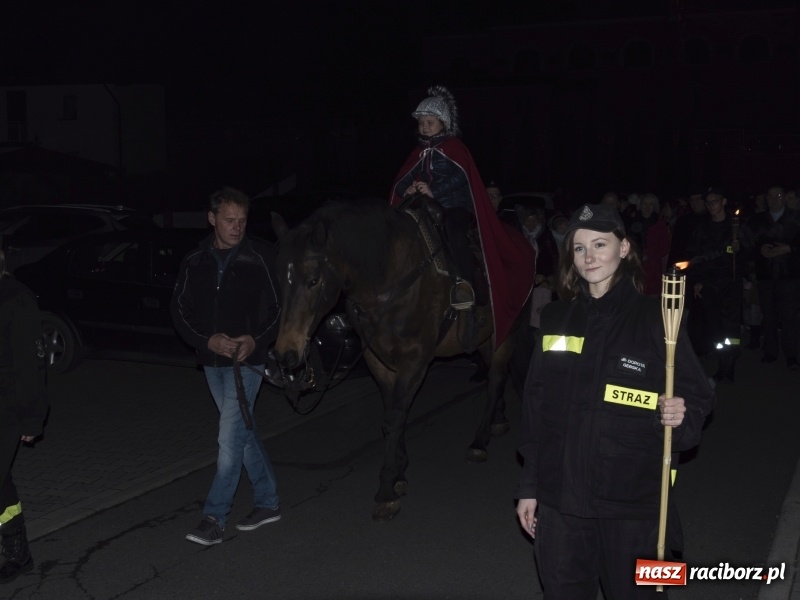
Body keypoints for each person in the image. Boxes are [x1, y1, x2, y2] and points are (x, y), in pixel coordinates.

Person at [514, 203, 714, 600]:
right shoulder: (555, 318)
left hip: (633, 506)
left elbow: (696, 395)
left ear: (624, 249)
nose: (589, 258)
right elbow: (537, 409)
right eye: (579, 248)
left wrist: (679, 413)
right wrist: (530, 486)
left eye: (600, 245)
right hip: (561, 501)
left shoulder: (660, 316)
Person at [171, 186, 282, 545]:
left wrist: (255, 340)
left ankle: (215, 517)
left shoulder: (261, 256)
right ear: (212, 218)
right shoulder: (195, 260)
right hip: (212, 362)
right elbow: (179, 311)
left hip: (248, 363)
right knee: (242, 435)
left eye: (243, 221)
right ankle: (268, 502)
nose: (237, 227)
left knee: (228, 439)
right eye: (229, 220)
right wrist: (207, 341)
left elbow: (281, 310)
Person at [390, 85, 535, 353]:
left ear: (442, 123)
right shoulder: (418, 153)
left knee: (454, 232)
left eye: (429, 122)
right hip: (426, 207)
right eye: (421, 123)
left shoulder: (454, 147)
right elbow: (402, 180)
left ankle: (464, 285)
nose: (424, 127)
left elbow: (462, 177)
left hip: (455, 206)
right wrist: (406, 189)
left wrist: (436, 190)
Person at [0, 248, 47, 584]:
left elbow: (31, 364)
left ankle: (17, 552)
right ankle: (18, 552)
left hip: (8, 409)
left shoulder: (15, 298)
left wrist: (32, 418)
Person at [685, 187, 747, 381]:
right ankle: (721, 361)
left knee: (731, 326)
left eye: (715, 201)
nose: (712, 206)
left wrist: (740, 248)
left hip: (731, 283)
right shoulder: (702, 227)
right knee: (714, 326)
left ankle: (730, 362)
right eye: (708, 203)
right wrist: (697, 281)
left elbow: (750, 250)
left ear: (724, 202)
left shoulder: (736, 226)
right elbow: (696, 256)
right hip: (710, 283)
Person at [744, 185, 800, 370]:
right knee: (767, 315)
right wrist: (759, 250)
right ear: (765, 198)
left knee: (789, 316)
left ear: (784, 197)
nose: (774, 199)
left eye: (778, 195)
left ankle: (791, 354)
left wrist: (789, 249)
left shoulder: (795, 217)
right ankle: (770, 351)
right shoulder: (758, 220)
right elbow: (748, 243)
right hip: (765, 275)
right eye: (770, 196)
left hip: (788, 275)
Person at [627, 192, 671, 296]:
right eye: (645, 203)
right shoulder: (632, 221)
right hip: (635, 265)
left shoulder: (659, 224)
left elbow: (666, 246)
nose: (647, 207)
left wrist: (650, 255)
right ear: (640, 205)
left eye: (651, 204)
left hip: (653, 268)